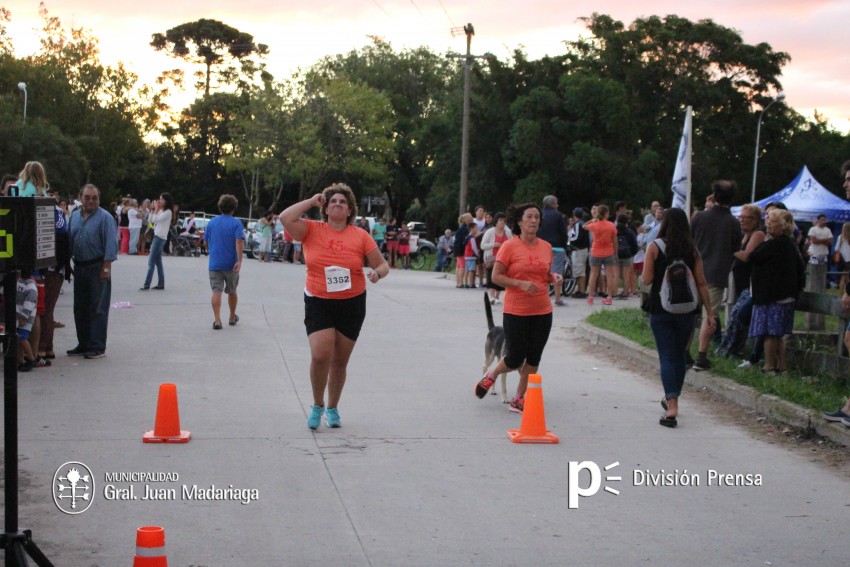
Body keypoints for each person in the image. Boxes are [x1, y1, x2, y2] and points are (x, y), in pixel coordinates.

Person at [279, 183, 390, 430]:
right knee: (320, 356)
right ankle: (317, 405)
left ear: (350, 209)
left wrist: (377, 274)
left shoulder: (360, 235)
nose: (337, 204)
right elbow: (285, 217)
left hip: (352, 303)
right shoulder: (310, 229)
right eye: (332, 202)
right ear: (325, 208)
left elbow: (383, 265)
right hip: (319, 300)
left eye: (342, 202)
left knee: (339, 361)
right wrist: (310, 201)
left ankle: (333, 407)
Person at [473, 202, 562, 413]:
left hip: (542, 310)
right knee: (515, 357)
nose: (533, 221)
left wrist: (553, 278)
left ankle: (518, 399)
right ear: (520, 222)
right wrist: (520, 284)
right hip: (516, 310)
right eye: (529, 217)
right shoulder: (509, 246)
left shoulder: (546, 247)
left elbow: (543, 275)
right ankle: (491, 376)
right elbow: (496, 277)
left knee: (534, 357)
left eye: (537, 217)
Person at [642, 207, 715, 428]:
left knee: (666, 355)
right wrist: (709, 313)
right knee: (680, 354)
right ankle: (674, 396)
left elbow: (646, 280)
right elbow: (701, 282)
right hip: (687, 310)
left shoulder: (655, 247)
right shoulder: (692, 250)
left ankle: (671, 403)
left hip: (661, 308)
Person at [690, 180, 743, 371]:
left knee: (689, 313)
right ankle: (701, 355)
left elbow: (689, 240)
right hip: (716, 274)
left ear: (713, 195)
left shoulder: (699, 217)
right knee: (709, 316)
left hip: (693, 272)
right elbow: (736, 249)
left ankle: (685, 351)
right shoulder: (733, 223)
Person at [747, 208, 806, 372]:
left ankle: (769, 366)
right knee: (778, 334)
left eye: (771, 222)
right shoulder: (790, 244)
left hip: (773, 296)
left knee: (770, 333)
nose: (768, 225)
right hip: (785, 296)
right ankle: (783, 367)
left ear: (782, 226)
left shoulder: (775, 244)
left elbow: (753, 256)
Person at [67, 184, 118, 359]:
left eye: (94, 198)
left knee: (98, 309)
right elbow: (70, 241)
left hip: (98, 267)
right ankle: (84, 344)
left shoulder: (105, 218)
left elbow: (111, 246)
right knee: (80, 308)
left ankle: (97, 347)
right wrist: (67, 264)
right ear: (80, 197)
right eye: (87, 197)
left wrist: (106, 269)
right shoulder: (74, 217)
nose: (91, 201)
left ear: (99, 199)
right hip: (79, 267)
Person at [717, 204, 766, 359]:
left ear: (756, 220)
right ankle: (730, 349)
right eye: (741, 217)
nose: (742, 221)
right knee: (733, 314)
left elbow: (746, 256)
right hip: (736, 280)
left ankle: (731, 349)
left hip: (749, 282)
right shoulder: (743, 234)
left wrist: (729, 248)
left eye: (746, 218)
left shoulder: (757, 234)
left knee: (737, 317)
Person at [204, 195, 244, 330]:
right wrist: (239, 260)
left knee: (216, 291)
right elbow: (239, 241)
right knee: (232, 291)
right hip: (231, 263)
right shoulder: (236, 223)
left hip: (215, 263)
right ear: (234, 208)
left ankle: (217, 320)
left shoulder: (211, 222)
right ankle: (232, 317)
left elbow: (205, 242)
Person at [584, 204, 619, 305]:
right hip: (609, 252)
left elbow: (584, 226)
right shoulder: (611, 225)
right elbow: (615, 241)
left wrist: (593, 219)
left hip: (595, 252)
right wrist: (616, 253)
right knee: (609, 275)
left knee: (593, 274)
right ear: (606, 213)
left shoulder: (594, 225)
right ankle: (609, 296)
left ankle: (590, 296)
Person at [539, 195, 569, 306]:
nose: (557, 205)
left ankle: (544, 297)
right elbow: (563, 232)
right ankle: (557, 298)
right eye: (556, 203)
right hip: (557, 247)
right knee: (556, 273)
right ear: (553, 204)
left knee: (544, 272)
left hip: (541, 247)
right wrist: (565, 245)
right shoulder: (558, 215)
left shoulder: (539, 214)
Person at [140, 192, 173, 290]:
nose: (159, 201)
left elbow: (156, 220)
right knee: (158, 263)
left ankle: (146, 285)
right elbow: (150, 220)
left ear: (166, 201)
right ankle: (161, 283)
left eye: (162, 199)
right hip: (157, 236)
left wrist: (156, 209)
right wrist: (153, 210)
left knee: (151, 262)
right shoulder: (161, 211)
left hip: (160, 237)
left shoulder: (168, 212)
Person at [481, 212, 512, 303]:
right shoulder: (490, 232)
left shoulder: (508, 232)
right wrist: (494, 244)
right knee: (491, 276)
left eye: (504, 220)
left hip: (503, 258)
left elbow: (511, 244)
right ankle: (492, 296)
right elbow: (482, 245)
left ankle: (497, 297)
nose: (502, 222)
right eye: (500, 220)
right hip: (491, 258)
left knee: (501, 276)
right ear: (496, 222)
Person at [14, 268, 38, 372]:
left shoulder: (31, 287)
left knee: (22, 338)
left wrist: (24, 317)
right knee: (18, 339)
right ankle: (20, 361)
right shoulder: (19, 282)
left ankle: (31, 358)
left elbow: (29, 303)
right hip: (17, 316)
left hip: (26, 318)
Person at [615, 213, 638, 299]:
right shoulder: (629, 231)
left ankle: (614, 291)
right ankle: (625, 292)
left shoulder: (615, 230)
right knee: (626, 274)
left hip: (616, 254)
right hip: (627, 255)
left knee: (616, 274)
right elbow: (635, 245)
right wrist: (632, 254)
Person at [568, 208, 590, 299]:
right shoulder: (583, 223)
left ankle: (581, 291)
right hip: (584, 249)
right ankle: (581, 290)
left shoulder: (578, 224)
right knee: (581, 270)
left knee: (579, 271)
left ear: (574, 215)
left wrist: (569, 241)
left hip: (578, 250)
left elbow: (576, 237)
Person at [453, 213, 472, 288]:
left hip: (457, 248)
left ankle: (458, 282)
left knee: (458, 266)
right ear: (467, 219)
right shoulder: (465, 229)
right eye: (471, 218)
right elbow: (465, 240)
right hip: (461, 249)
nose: (472, 219)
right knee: (462, 266)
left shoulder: (461, 228)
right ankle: (461, 282)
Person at [463, 224, 480, 288]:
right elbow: (474, 247)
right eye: (476, 228)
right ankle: (471, 284)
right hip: (471, 256)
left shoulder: (468, 237)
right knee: (471, 270)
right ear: (472, 229)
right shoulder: (472, 238)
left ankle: (465, 283)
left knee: (467, 269)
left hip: (467, 255)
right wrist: (477, 254)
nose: (477, 230)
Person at [834, 223, 850, 293]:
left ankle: (841, 294)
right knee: (848, 278)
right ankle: (848, 293)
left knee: (843, 278)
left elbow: (836, 249)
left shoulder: (840, 237)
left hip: (843, 260)